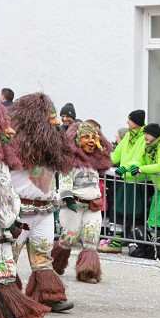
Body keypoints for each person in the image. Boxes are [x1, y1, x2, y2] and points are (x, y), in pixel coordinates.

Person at [7, 92, 74, 313]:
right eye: (51, 117)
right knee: (9, 258)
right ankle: (4, 298)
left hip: (44, 211)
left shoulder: (53, 148)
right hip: (18, 212)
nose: (56, 122)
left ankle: (48, 295)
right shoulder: (13, 147)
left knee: (43, 256)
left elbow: (59, 173)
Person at [0, 102, 49, 318]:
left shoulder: (1, 161)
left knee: (4, 275)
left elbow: (8, 193)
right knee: (2, 276)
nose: (12, 132)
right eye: (6, 127)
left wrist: (13, 218)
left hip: (0, 231)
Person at [55, 121, 112, 282]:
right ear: (77, 140)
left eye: (94, 137)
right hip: (73, 205)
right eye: (86, 137)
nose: (91, 141)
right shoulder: (69, 162)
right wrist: (68, 198)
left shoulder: (96, 160)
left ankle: (88, 272)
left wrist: (101, 146)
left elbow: (108, 157)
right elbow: (65, 182)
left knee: (91, 240)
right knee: (69, 239)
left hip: (92, 206)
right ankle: (55, 263)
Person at [104, 110, 147, 252]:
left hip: (137, 181)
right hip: (124, 179)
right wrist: (103, 162)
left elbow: (139, 158)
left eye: (130, 120)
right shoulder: (128, 135)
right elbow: (116, 155)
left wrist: (126, 168)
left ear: (137, 122)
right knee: (118, 211)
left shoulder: (144, 137)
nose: (127, 122)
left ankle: (135, 242)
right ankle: (116, 242)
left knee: (134, 214)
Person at [135, 123, 160, 260]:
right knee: (158, 222)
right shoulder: (149, 147)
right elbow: (138, 160)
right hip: (159, 189)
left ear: (155, 135)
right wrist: (128, 170)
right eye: (144, 133)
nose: (145, 136)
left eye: (148, 134)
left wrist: (142, 169)